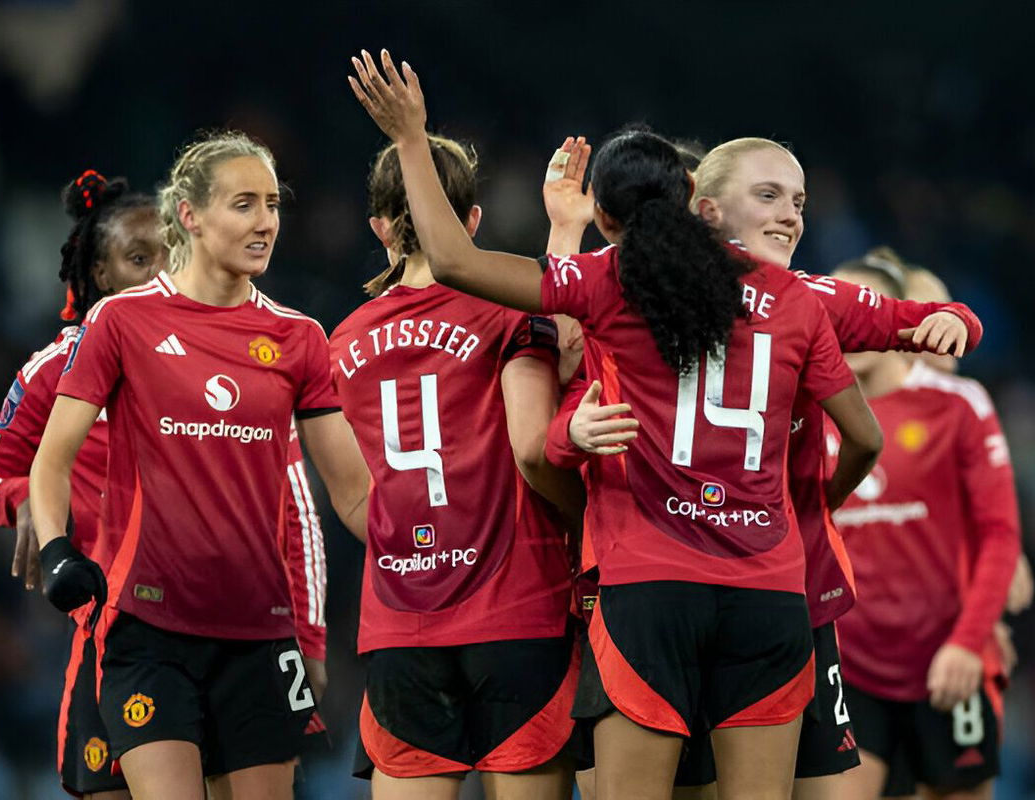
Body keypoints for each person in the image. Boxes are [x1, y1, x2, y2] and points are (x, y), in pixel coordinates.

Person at [348, 50, 883, 800]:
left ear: (604, 216)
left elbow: (454, 261)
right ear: (696, 194)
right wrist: (811, 506)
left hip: (645, 588)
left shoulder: (605, 280)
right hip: (766, 591)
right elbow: (866, 437)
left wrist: (411, 138)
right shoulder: (793, 298)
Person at [543, 137, 985, 800]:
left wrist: (954, 317)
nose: (790, 216)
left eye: (799, 202)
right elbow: (568, 386)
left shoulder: (802, 298)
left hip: (777, 596)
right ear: (705, 211)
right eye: (770, 196)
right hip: (669, 590)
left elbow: (923, 321)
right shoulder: (646, 294)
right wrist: (568, 431)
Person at [27, 132, 370, 800]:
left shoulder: (298, 338)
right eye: (244, 204)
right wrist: (59, 551)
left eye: (273, 204)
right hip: (148, 633)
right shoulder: (121, 322)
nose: (266, 221)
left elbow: (352, 494)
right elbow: (52, 462)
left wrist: (427, 550)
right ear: (190, 215)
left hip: (264, 635)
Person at [330, 134, 583, 800]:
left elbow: (355, 498)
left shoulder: (342, 343)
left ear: (379, 227)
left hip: (400, 621)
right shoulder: (509, 311)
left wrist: (410, 554)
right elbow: (539, 439)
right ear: (471, 222)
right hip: (519, 609)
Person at [0, 170, 162, 799]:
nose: (159, 272)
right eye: (138, 258)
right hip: (113, 627)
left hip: (220, 624)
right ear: (101, 276)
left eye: (169, 255)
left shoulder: (220, 355)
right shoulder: (56, 368)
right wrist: (28, 499)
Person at [826, 259, 1020, 800]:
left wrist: (968, 642)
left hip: (946, 657)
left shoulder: (957, 405)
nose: (848, 327)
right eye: (836, 311)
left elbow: (1000, 535)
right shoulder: (807, 413)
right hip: (849, 664)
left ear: (889, 319)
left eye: (861, 312)